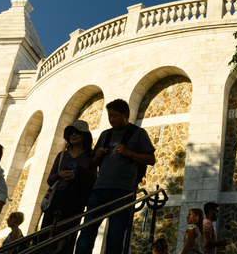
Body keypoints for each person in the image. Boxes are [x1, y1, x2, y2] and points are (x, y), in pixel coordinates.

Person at [74, 99, 156, 254]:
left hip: (122, 193)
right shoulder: (106, 134)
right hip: (98, 190)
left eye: (115, 116)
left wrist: (129, 153)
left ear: (125, 114)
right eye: (109, 116)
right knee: (86, 234)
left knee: (115, 239)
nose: (111, 120)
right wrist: (97, 156)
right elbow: (93, 162)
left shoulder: (138, 133)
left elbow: (151, 159)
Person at [41, 120, 97, 254]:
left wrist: (78, 175)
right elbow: (50, 180)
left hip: (76, 199)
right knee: (46, 233)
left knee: (67, 236)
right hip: (57, 196)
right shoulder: (62, 155)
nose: (73, 134)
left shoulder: (89, 157)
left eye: (77, 132)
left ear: (85, 136)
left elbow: (93, 178)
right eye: (71, 132)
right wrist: (60, 174)